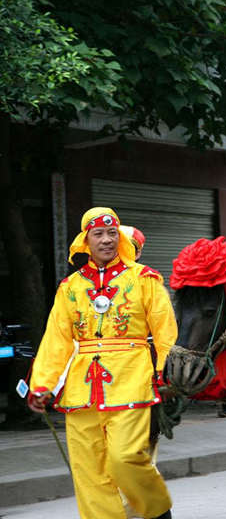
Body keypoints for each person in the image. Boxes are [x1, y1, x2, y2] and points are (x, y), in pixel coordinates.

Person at [28, 207, 175, 519]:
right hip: (82, 390)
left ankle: (158, 510)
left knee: (125, 459)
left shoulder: (144, 279)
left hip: (132, 380)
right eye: (99, 234)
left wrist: (166, 371)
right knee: (89, 473)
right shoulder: (70, 287)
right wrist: (42, 384)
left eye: (112, 233)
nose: (107, 240)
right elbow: (57, 339)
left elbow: (165, 330)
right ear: (86, 240)